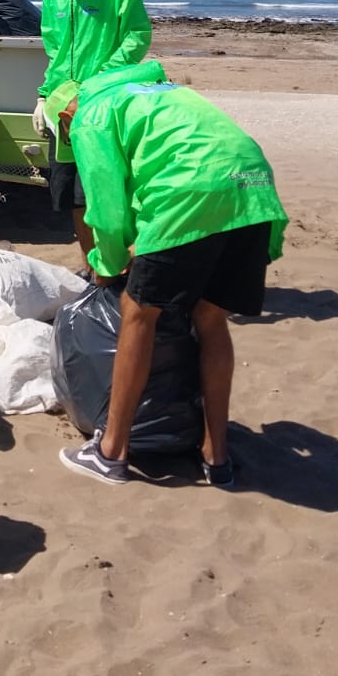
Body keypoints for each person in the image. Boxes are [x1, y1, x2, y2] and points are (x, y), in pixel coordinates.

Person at [48, 61, 288, 490]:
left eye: (64, 135)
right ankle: (216, 457)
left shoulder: (91, 114)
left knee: (138, 312)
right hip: (252, 185)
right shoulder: (155, 92)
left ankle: (111, 453)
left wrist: (107, 266)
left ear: (66, 115)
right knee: (210, 317)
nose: (70, 141)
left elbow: (106, 207)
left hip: (190, 190)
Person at [30, 0, 151, 269]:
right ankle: (94, 270)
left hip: (103, 105)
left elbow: (136, 36)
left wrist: (99, 83)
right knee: (72, 199)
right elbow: (55, 48)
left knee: (106, 194)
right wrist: (43, 94)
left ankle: (122, 269)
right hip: (63, 108)